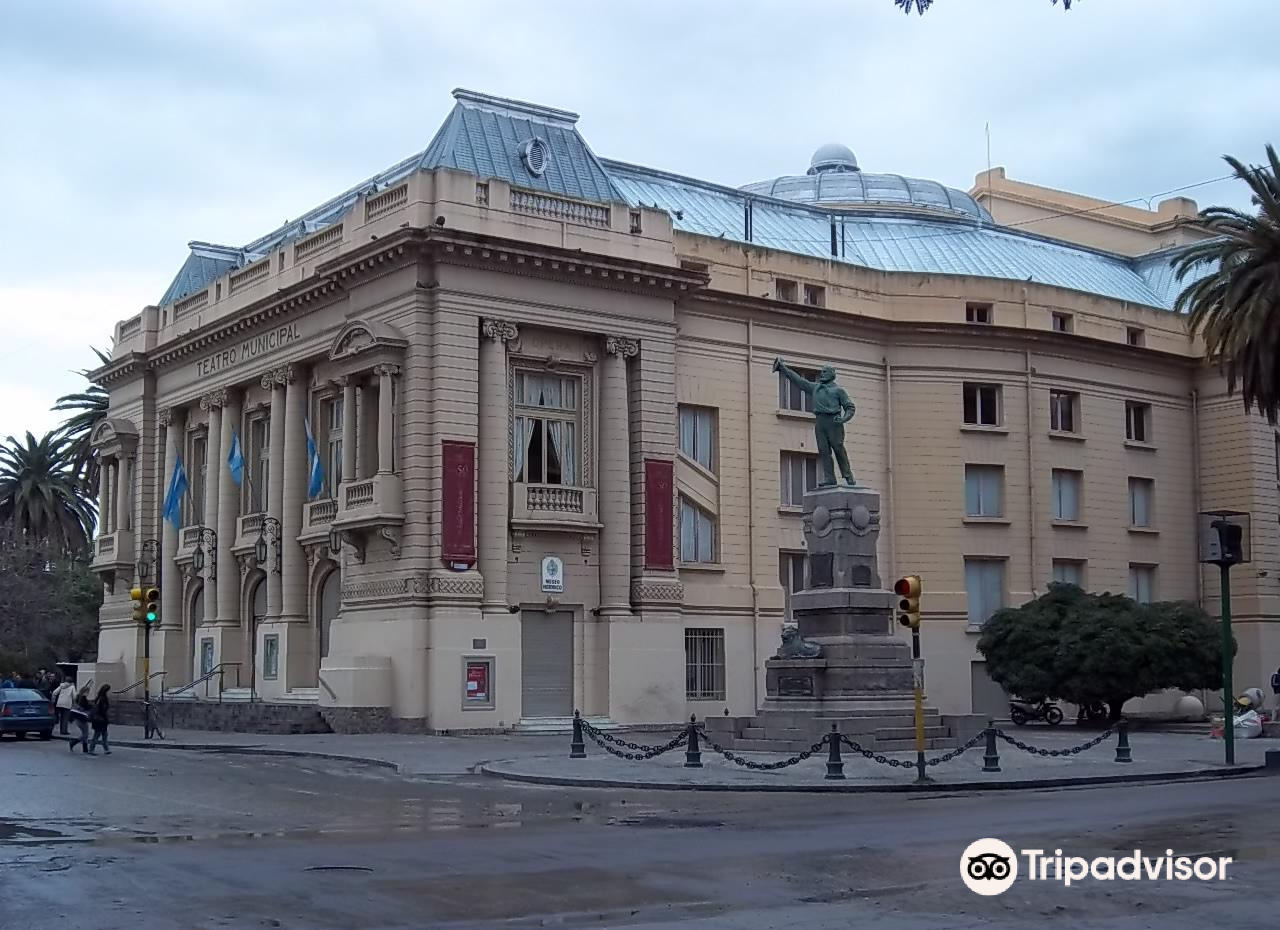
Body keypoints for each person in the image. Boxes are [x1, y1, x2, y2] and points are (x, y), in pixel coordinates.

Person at [87, 684, 111, 756]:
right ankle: (91, 749)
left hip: (98, 719)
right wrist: (106, 718)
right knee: (98, 734)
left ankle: (106, 749)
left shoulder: (98, 697)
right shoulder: (103, 699)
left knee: (104, 734)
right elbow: (102, 710)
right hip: (100, 719)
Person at [68, 686, 92, 753]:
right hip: (82, 718)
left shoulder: (78, 697)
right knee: (85, 734)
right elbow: (85, 706)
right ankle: (73, 742)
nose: (88, 693)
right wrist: (91, 706)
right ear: (85, 692)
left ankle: (85, 749)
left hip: (78, 718)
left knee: (85, 734)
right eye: (88, 692)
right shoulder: (83, 698)